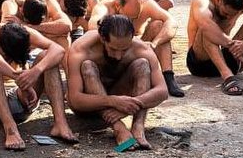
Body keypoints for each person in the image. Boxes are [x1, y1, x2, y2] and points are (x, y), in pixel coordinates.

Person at [67, 14, 168, 150]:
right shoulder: (81, 49)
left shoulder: (141, 48)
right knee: (87, 66)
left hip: (123, 102)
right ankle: (119, 129)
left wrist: (131, 104)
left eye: (124, 50)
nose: (118, 56)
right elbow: (75, 99)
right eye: (113, 49)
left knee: (142, 64)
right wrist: (113, 101)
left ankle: (138, 128)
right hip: (90, 107)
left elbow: (162, 91)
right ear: (103, 38)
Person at [0, 20, 78, 150]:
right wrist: (18, 78)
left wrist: (36, 71)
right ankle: (10, 129)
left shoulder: (24, 33)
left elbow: (58, 50)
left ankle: (60, 124)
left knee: (48, 57)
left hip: (22, 98)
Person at [90, 0, 183, 98]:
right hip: (113, 51)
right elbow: (92, 28)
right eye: (128, 17)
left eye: (135, 17)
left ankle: (168, 76)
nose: (131, 20)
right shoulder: (103, 8)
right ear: (117, 6)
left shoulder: (148, 4)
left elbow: (172, 22)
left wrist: (154, 43)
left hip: (136, 48)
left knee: (158, 25)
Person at [1, 0, 72, 51]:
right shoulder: (11, 7)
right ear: (21, 11)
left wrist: (26, 26)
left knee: (63, 37)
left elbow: (67, 26)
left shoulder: (50, 4)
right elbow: (7, 35)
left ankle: (65, 67)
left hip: (39, 45)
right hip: (20, 47)